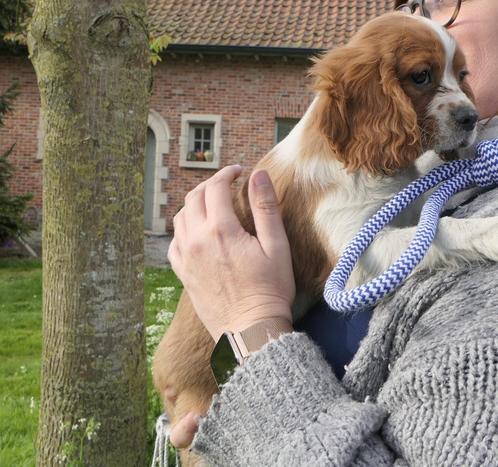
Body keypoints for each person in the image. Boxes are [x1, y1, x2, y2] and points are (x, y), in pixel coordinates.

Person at [165, 0, 498, 464]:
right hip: (201, 381)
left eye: (442, 2)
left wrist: (249, 324)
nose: (420, 15)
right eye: (423, 76)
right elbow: (358, 260)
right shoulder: (325, 171)